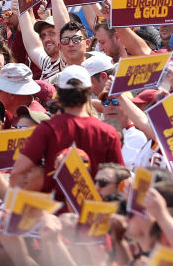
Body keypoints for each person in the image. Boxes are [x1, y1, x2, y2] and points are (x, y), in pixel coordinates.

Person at [11, 65, 123, 196]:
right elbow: (119, 179)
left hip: (54, 212)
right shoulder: (108, 132)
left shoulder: (46, 129)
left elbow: (18, 172)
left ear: (60, 94)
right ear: (89, 90)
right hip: (94, 212)